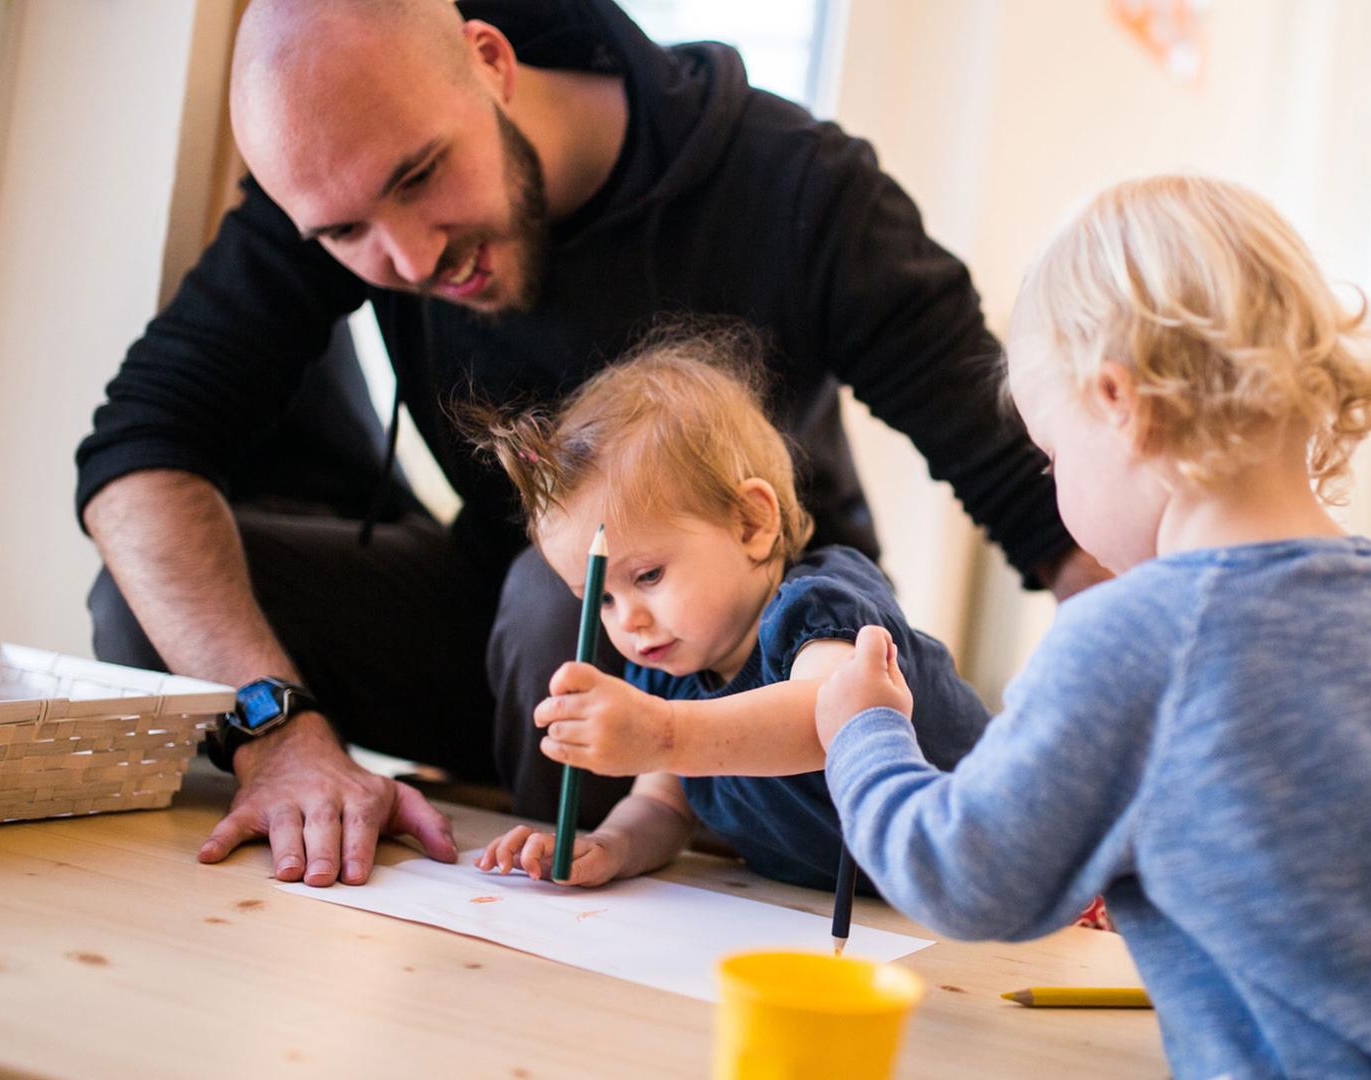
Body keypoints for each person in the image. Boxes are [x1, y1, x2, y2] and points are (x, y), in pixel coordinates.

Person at [75, 0, 1099, 890]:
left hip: (755, 664)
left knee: (555, 597)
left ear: (491, 60)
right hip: (502, 632)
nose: (413, 255)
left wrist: (1128, 763)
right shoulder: (345, 183)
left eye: (425, 175)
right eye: (346, 234)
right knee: (143, 606)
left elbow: (1042, 498)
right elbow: (137, 456)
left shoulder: (801, 191)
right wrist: (279, 734)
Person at [813, 175, 1371, 1076]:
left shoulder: (1138, 639)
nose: (1052, 488)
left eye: (1051, 456)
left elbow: (963, 875)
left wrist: (863, 731)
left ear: (1120, 402)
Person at [466, 333, 990, 889]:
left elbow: (835, 719)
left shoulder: (818, 603)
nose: (628, 620)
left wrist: (663, 734)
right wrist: (608, 846)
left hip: (1009, 870)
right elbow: (664, 808)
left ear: (751, 524)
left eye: (648, 575)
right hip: (885, 917)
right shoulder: (671, 674)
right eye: (602, 598)